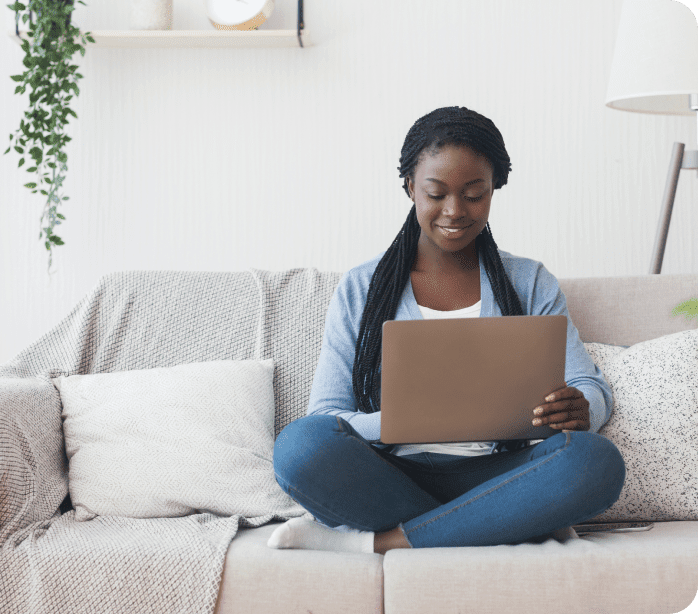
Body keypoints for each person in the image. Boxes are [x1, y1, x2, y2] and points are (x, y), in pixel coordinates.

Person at [266, 106, 626, 554]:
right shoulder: (362, 286)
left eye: (475, 194)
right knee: (300, 447)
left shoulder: (528, 281)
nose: (455, 211)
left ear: (494, 190)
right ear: (410, 187)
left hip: (501, 472)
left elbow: (589, 387)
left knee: (595, 462)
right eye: (436, 193)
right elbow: (326, 417)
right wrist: (407, 420)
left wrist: (582, 407)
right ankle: (501, 521)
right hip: (392, 476)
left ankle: (382, 542)